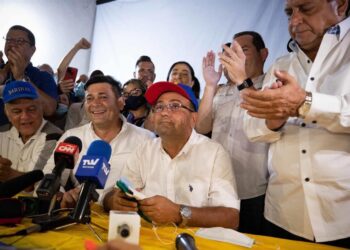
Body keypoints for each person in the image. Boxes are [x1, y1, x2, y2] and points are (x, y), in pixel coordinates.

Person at [235, 0, 350, 247]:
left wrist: (305, 103)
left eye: (306, 9)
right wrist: (272, 120)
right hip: (282, 215)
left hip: (343, 218)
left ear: (340, 6)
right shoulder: (281, 65)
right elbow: (252, 130)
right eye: (289, 13)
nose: (294, 22)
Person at [104, 81, 239, 229]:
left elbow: (230, 218)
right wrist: (114, 201)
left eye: (175, 106)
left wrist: (179, 213)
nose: (164, 112)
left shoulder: (214, 153)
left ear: (194, 118)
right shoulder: (143, 150)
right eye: (159, 107)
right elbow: (114, 195)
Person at [42, 75, 154, 207]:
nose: (95, 104)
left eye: (103, 97)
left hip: (127, 216)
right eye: (89, 98)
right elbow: (48, 176)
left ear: (121, 102)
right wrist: (60, 197)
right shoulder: (72, 137)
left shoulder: (146, 139)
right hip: (80, 219)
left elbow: (155, 185)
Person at [196, 31, 269, 234]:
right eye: (229, 53)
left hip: (256, 190)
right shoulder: (220, 91)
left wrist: (241, 81)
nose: (235, 57)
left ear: (263, 54)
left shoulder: (270, 85)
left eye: (243, 50)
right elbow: (202, 128)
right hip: (219, 187)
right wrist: (210, 85)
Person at [0, 81, 62, 183]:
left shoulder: (55, 137)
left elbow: (45, 185)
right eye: (17, 111)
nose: (25, 116)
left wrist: (9, 174)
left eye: (31, 109)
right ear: (7, 114)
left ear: (41, 109)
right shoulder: (2, 133)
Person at [0, 25, 58, 127]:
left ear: (32, 49)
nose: (12, 45)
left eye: (20, 41)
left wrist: (21, 78)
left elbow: (49, 109)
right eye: (9, 40)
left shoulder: (42, 77)